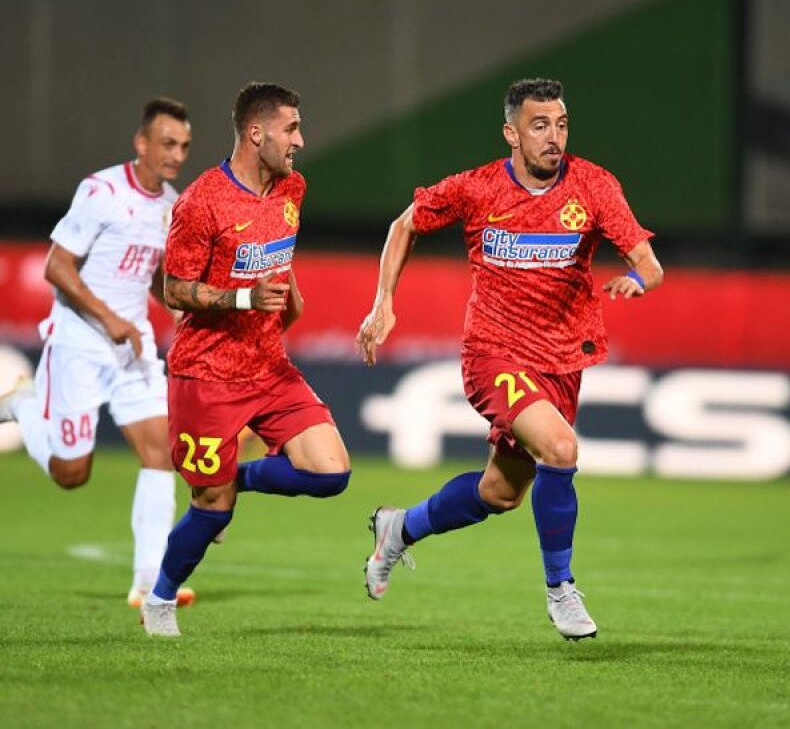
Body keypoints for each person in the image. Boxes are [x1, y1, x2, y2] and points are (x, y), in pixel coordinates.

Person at [356, 78, 663, 640]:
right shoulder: (476, 188)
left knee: (500, 492)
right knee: (562, 448)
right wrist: (383, 303)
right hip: (493, 354)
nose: (554, 137)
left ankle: (398, 529)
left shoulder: (593, 186)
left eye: (561, 124)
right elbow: (405, 225)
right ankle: (560, 589)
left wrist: (638, 279)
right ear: (512, 133)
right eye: (540, 125)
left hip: (561, 360)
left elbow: (648, 259)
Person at [139, 82, 352, 637]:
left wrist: (288, 294)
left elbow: (274, 255)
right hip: (206, 373)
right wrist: (242, 298)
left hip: (268, 365)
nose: (300, 140)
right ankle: (160, 599)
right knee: (213, 509)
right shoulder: (202, 201)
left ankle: (236, 474)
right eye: (291, 129)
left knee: (332, 474)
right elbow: (176, 288)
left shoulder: (292, 188)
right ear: (256, 134)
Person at [0, 98, 197, 607]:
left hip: (131, 347)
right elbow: (57, 266)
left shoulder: (170, 206)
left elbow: (153, 274)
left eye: (183, 146)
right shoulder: (101, 191)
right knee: (72, 474)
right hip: (79, 345)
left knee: (161, 452)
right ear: (142, 144)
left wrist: (177, 308)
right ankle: (23, 403)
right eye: (167, 144)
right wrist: (108, 318)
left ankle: (149, 582)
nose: (176, 154)